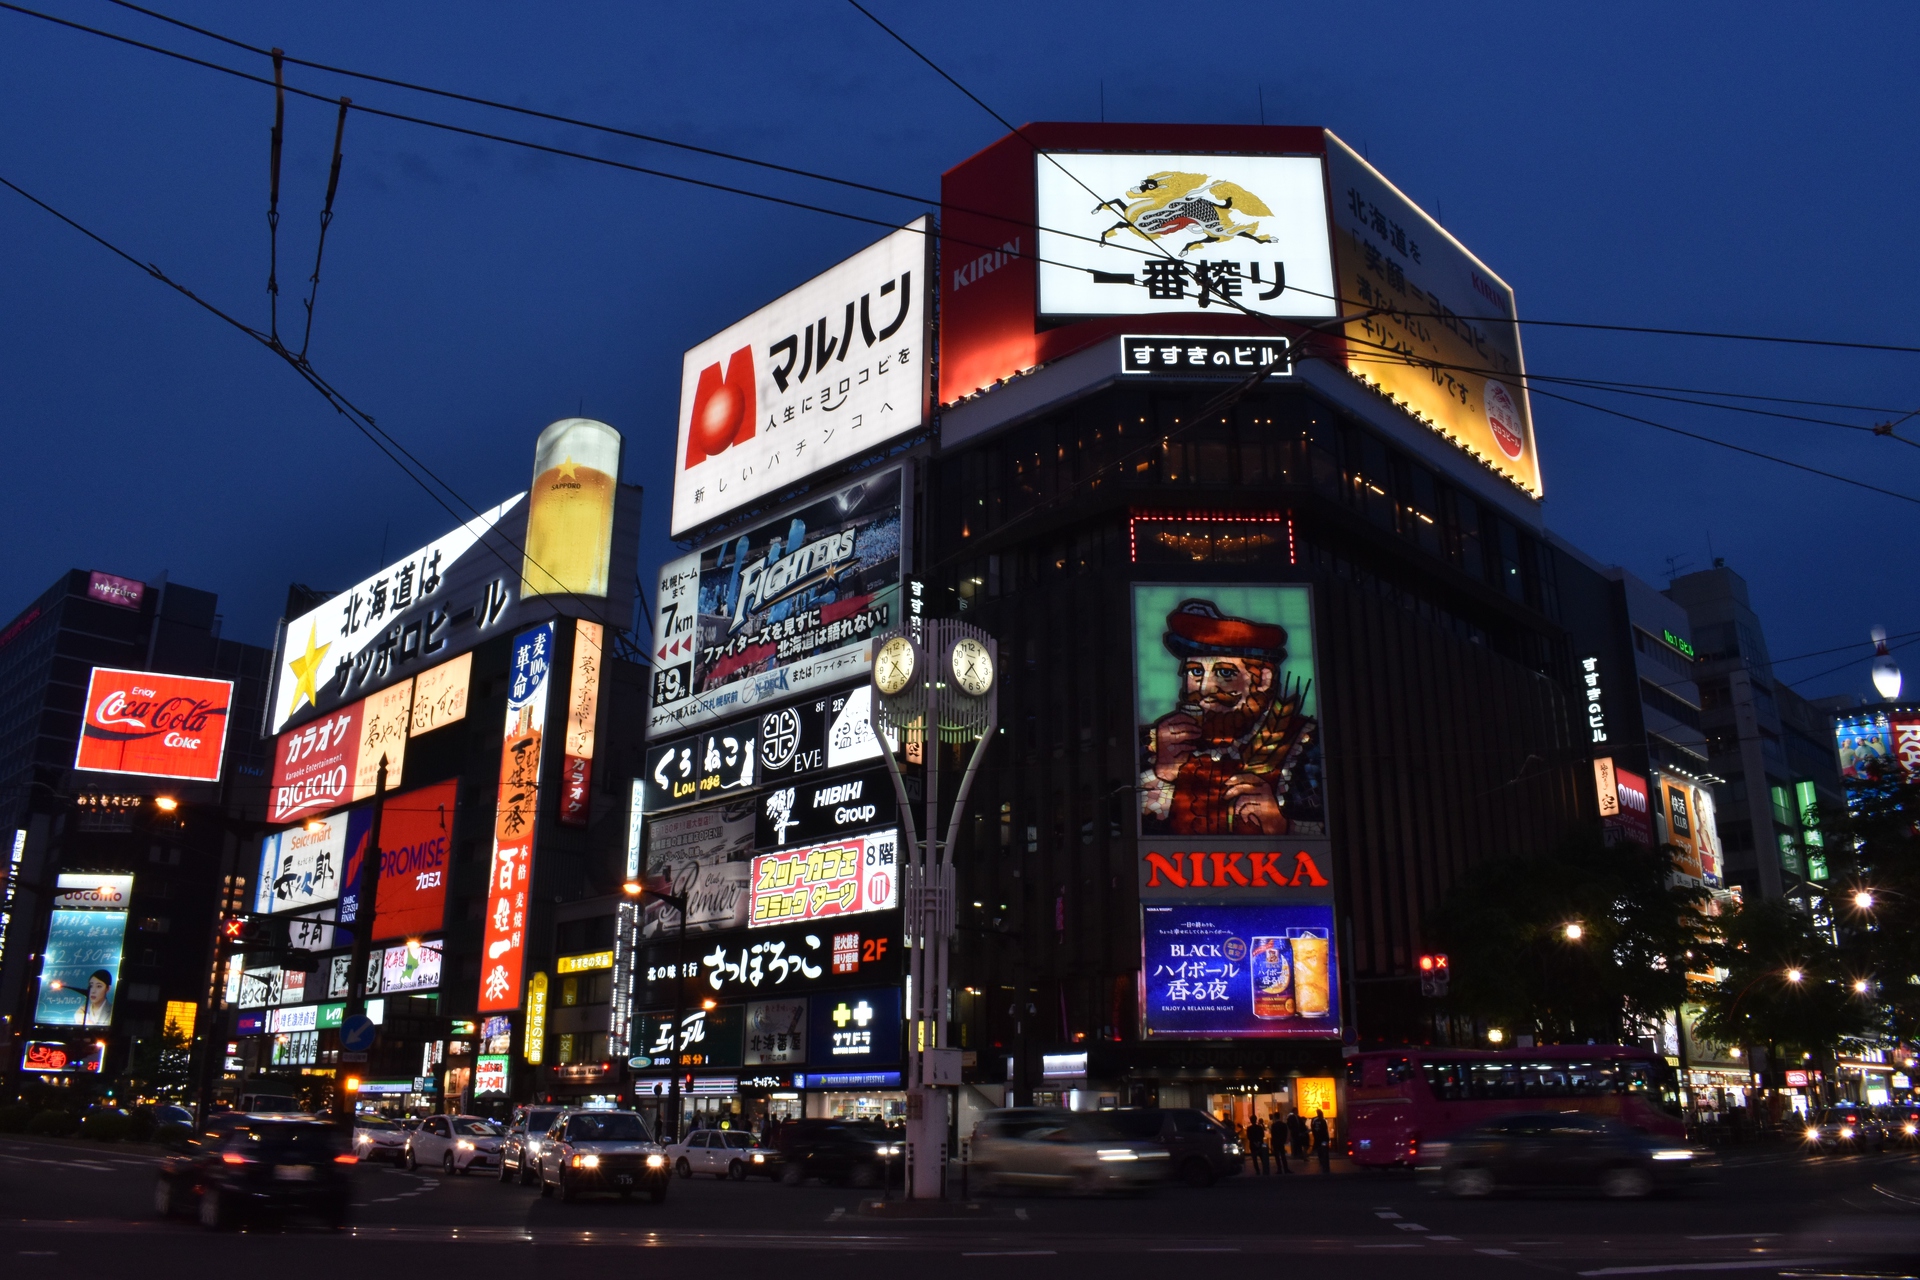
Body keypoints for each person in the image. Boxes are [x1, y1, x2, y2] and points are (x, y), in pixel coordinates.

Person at [1139, 598, 1321, 836]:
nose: (1204, 689)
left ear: (1264, 679)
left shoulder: (1306, 744)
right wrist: (1161, 774)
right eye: (1195, 672)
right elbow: (1120, 828)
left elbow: (1344, 832)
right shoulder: (1154, 744)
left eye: (1225, 673)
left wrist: (1283, 825)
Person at [1309, 1109, 1331, 1175]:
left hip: (1317, 1139)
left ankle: (1321, 1162)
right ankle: (1326, 1166)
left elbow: (1313, 1129)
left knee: (1320, 1152)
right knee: (1325, 1152)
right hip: (1323, 1139)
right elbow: (1325, 1130)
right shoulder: (1322, 1120)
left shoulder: (1314, 1120)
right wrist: (1327, 1139)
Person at [1270, 1109, 1290, 1174]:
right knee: (1283, 1155)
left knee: (1277, 1157)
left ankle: (1279, 1169)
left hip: (1276, 1142)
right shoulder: (1283, 1125)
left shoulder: (1274, 1125)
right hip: (1281, 1142)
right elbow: (1286, 1133)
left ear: (1275, 1117)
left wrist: (1272, 1143)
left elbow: (1273, 1134)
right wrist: (1284, 1140)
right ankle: (1286, 1168)